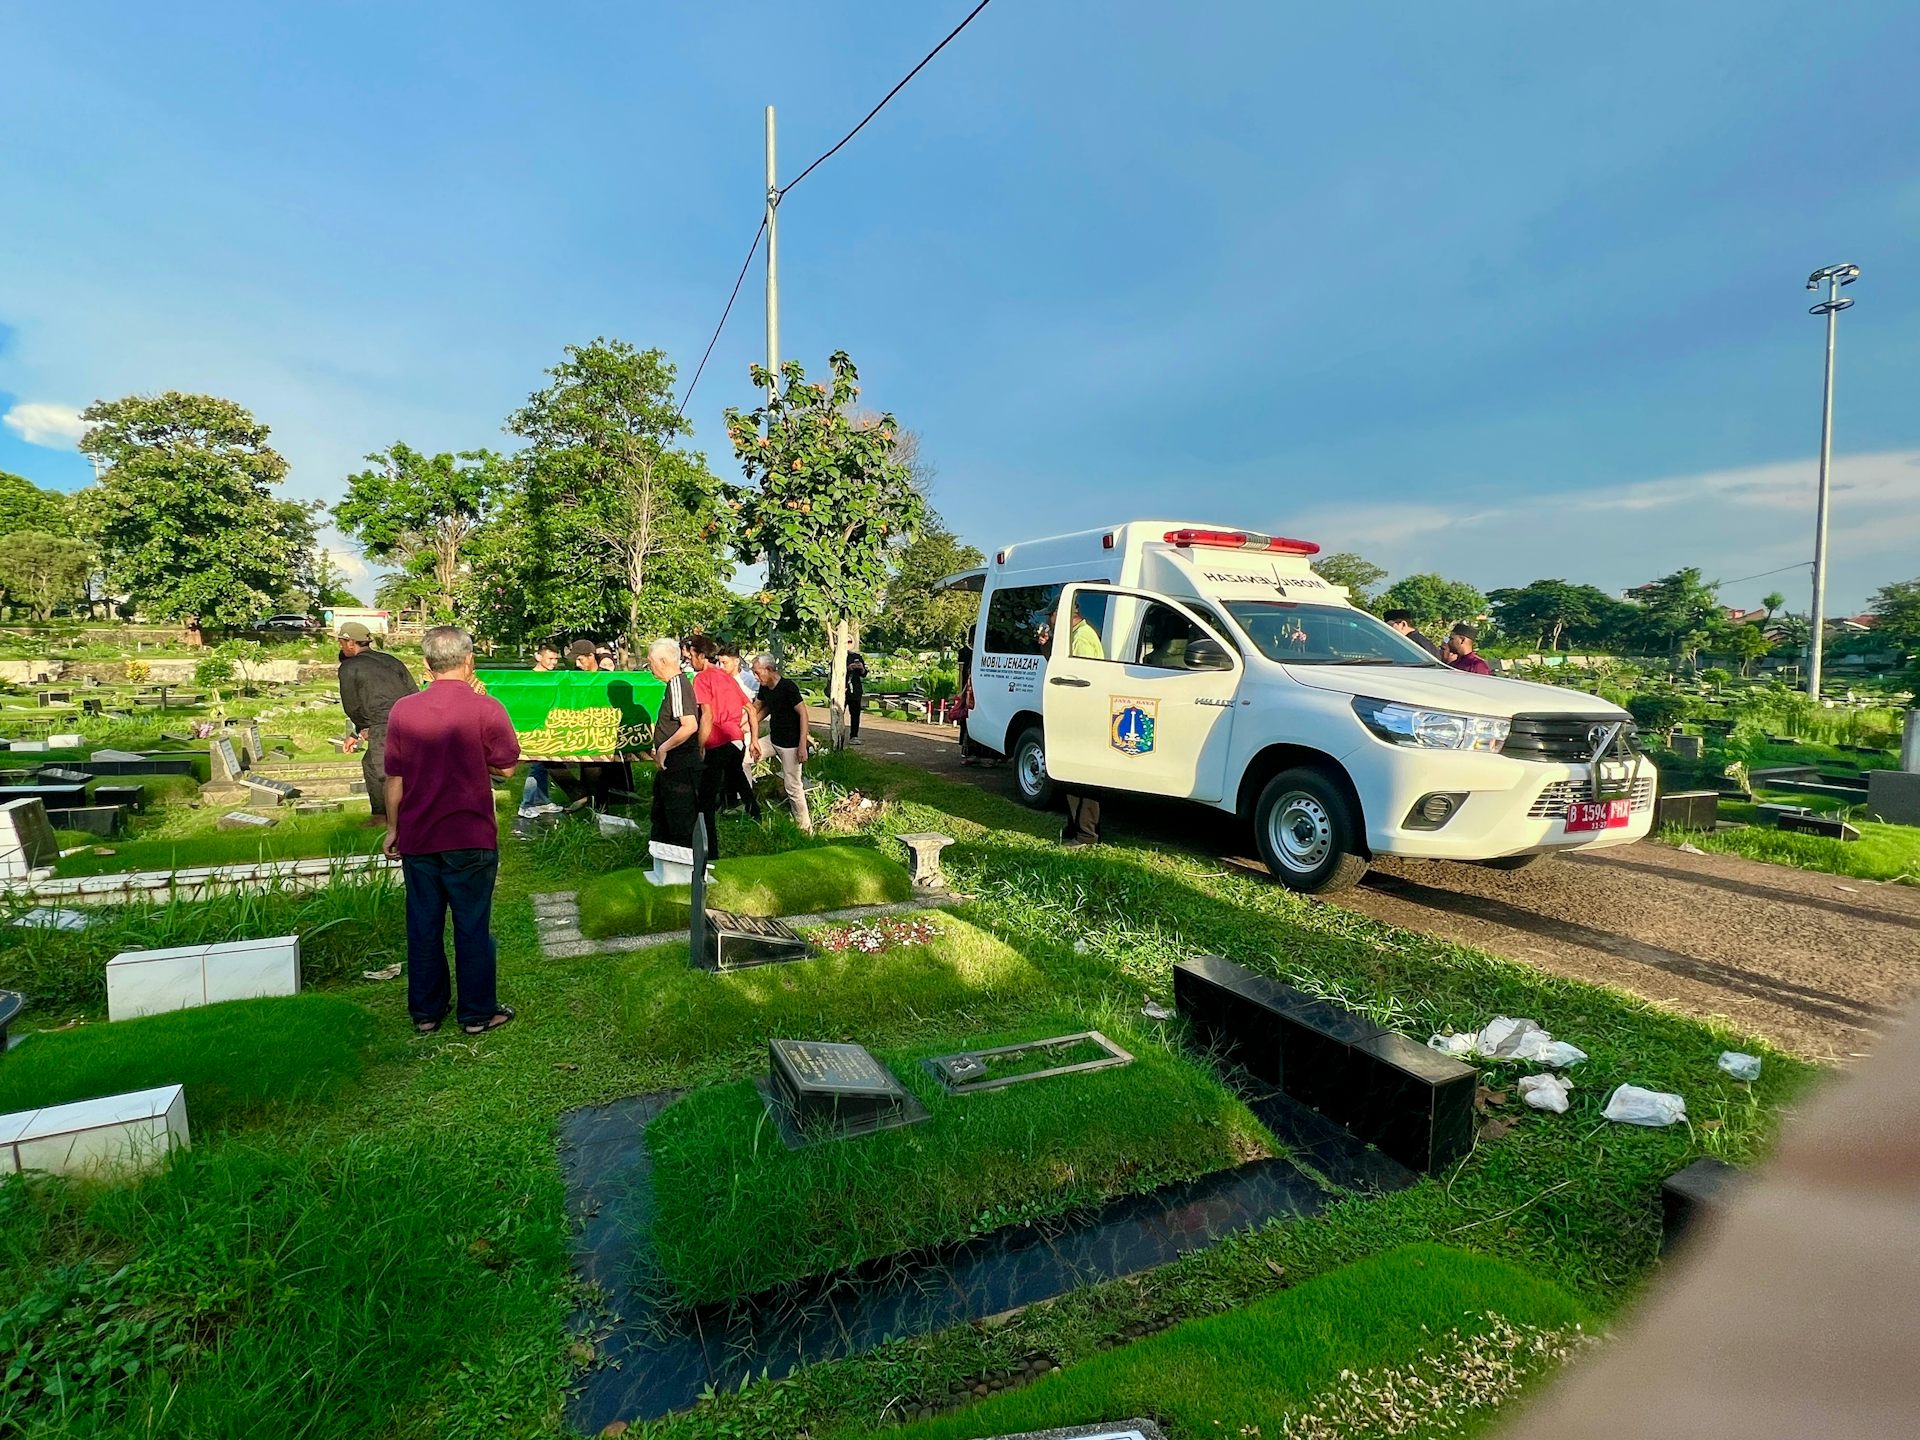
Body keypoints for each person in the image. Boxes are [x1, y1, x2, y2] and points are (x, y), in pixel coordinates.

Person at [381, 626, 520, 1037]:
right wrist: (475, 760)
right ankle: (476, 1014)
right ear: (469, 660)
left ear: (425, 665)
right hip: (470, 833)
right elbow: (508, 767)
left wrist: (393, 828)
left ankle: (426, 1013)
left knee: (423, 924)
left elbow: (394, 777)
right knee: (471, 924)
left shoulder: (403, 710)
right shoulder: (486, 708)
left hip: (419, 835)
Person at [336, 620, 418, 830]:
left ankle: (384, 817)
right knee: (407, 765)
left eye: (342, 643)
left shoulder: (350, 667)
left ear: (351, 643)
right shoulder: (391, 660)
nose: (341, 647)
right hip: (410, 717)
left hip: (383, 722)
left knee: (379, 769)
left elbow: (352, 704)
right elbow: (412, 690)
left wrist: (363, 727)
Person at [687, 635, 751, 853]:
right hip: (736, 739)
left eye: (691, 657)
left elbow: (706, 714)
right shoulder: (726, 677)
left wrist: (700, 745)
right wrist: (753, 739)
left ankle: (709, 849)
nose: (689, 662)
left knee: (706, 798)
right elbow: (750, 708)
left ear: (701, 656)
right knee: (738, 778)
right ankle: (755, 814)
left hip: (717, 741)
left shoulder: (702, 679)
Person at [644, 638, 703, 847]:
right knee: (663, 816)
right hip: (672, 766)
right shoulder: (674, 685)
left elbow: (689, 725)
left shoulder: (677, 683)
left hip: (680, 765)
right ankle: (662, 856)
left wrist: (664, 748)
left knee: (680, 819)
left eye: (651, 662)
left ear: (662, 661)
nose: (650, 668)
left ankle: (682, 862)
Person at [750, 653, 813, 833]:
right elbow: (759, 710)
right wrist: (749, 733)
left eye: (757, 672)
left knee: (793, 786)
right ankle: (749, 806)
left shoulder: (788, 687)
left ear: (769, 670)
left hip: (791, 744)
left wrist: (802, 745)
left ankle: (805, 828)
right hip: (773, 739)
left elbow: (803, 714)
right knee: (745, 758)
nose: (755, 676)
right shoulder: (765, 687)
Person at [1059, 603, 1103, 846]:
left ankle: (1086, 834)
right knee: (1072, 776)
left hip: (1084, 717)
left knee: (1083, 778)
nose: (1050, 621)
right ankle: (1076, 830)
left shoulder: (1082, 639)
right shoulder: (1077, 635)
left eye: (1052, 615)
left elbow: (1083, 680)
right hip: (1081, 715)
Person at [562, 639, 619, 809]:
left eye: (581, 660)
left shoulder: (606, 677)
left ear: (591, 656)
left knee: (597, 775)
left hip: (603, 734)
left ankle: (599, 812)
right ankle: (582, 798)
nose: (578, 664)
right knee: (552, 763)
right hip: (580, 731)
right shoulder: (574, 677)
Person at [713, 646, 764, 820]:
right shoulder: (719, 680)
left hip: (743, 729)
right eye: (719, 662)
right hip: (724, 731)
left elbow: (757, 706)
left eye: (725, 662)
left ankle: (746, 804)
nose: (721, 666)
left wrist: (749, 726)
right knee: (730, 770)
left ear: (736, 661)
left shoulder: (749, 681)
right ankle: (732, 803)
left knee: (741, 767)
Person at [518, 639, 563, 818]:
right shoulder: (529, 680)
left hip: (551, 727)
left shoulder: (555, 678)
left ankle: (542, 801)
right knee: (536, 765)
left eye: (555, 659)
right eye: (550, 658)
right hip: (534, 729)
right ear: (538, 656)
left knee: (543, 765)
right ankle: (526, 804)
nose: (553, 662)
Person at [845, 646, 868, 740]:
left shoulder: (857, 656)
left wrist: (861, 668)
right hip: (842, 689)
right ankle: (837, 733)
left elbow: (864, 674)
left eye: (850, 642)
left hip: (855, 689)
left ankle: (854, 735)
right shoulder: (838, 656)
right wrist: (848, 668)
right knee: (838, 711)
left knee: (855, 714)